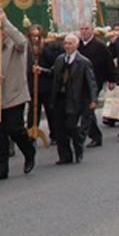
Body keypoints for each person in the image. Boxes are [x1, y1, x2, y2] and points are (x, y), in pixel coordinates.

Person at [0, 10, 36, 181]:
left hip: (14, 94)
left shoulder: (15, 46)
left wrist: (6, 21)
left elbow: (21, 40)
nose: (0, 34)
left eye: (3, 30)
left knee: (14, 128)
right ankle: (0, 169)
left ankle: (28, 150)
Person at [48, 34, 98, 165]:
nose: (67, 46)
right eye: (65, 43)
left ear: (76, 45)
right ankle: (64, 156)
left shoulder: (83, 62)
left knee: (72, 127)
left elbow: (91, 82)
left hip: (75, 99)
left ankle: (78, 147)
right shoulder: (60, 60)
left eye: (70, 43)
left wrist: (93, 100)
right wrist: (41, 71)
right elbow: (53, 73)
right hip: (59, 98)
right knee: (59, 129)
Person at [25, 24, 61, 147]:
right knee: (32, 111)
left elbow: (54, 66)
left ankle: (55, 134)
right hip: (32, 85)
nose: (35, 39)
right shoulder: (27, 50)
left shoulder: (46, 48)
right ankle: (31, 135)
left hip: (46, 85)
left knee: (50, 110)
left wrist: (42, 70)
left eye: (37, 36)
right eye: (33, 36)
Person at [77, 22, 112, 147]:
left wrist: (111, 80)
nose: (84, 31)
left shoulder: (100, 46)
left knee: (88, 109)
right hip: (80, 82)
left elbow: (109, 63)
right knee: (85, 110)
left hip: (95, 82)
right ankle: (94, 135)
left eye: (86, 29)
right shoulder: (78, 45)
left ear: (92, 30)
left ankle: (86, 136)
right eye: (82, 29)